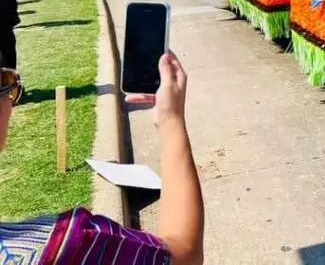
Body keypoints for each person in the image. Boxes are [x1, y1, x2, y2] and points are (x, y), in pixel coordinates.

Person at [0, 50, 205, 263]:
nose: (9, 99)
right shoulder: (65, 247)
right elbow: (183, 254)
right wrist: (171, 121)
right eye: (5, 81)